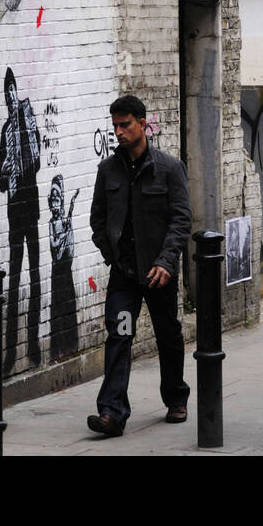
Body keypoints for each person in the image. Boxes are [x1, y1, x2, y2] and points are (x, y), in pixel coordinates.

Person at [88, 93, 192, 437]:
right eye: (115, 125)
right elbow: (98, 220)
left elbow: (181, 220)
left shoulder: (169, 168)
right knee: (119, 336)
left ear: (142, 124)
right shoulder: (108, 171)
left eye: (125, 125)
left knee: (168, 336)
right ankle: (112, 414)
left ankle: (176, 398)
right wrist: (111, 255)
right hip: (124, 274)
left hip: (158, 274)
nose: (118, 132)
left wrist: (165, 262)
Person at [0, 67, 42, 374]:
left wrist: (22, 159)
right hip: (14, 209)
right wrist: (5, 169)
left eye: (12, 91)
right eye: (6, 94)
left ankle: (35, 343)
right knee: (13, 279)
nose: (11, 97)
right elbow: (0, 181)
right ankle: (10, 352)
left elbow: (37, 161)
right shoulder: (4, 130)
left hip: (32, 208)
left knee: (36, 275)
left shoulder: (29, 122)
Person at [48, 174, 80, 361]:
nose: (55, 204)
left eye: (58, 200)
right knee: (57, 308)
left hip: (65, 272)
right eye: (52, 200)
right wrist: (62, 236)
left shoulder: (66, 223)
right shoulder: (53, 223)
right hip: (56, 273)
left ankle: (69, 345)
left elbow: (70, 251)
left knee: (68, 306)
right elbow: (54, 246)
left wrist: (67, 234)